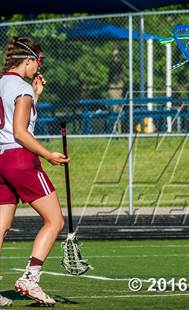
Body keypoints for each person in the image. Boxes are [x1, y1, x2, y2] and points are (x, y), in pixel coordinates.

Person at [0, 36, 69, 306]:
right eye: (38, 61)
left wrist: (36, 95)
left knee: (2, 227)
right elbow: (20, 132)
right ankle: (30, 278)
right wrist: (48, 154)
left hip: (1, 159)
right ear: (27, 60)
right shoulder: (22, 88)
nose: (39, 67)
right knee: (55, 221)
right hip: (20, 160)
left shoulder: (5, 83)